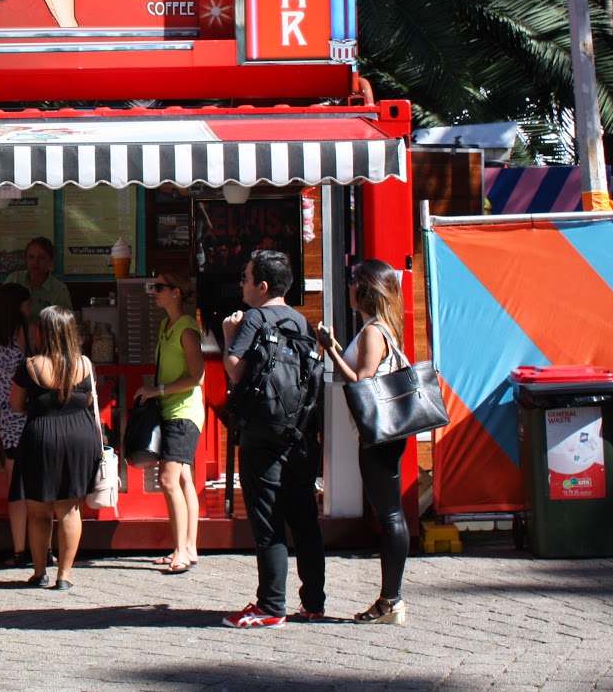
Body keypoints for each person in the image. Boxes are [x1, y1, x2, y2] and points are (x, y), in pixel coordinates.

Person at [221, 249, 326, 629]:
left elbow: (236, 371)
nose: (242, 284)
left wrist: (229, 335)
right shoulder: (301, 322)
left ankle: (270, 606)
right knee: (305, 520)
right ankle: (313, 602)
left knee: (268, 521)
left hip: (262, 435)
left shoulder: (254, 319)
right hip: (299, 434)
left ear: (262, 286)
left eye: (246, 278)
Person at [317, 259, 411, 625]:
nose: (350, 287)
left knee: (390, 516)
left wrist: (329, 349)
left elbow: (361, 382)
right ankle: (391, 598)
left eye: (355, 282)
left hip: (380, 436)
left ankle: (392, 600)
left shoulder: (374, 332)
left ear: (367, 290)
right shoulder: (383, 327)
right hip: (386, 435)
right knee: (390, 515)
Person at [10, 305, 101, 590]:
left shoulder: (30, 366)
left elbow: (15, 404)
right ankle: (65, 575)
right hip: (79, 438)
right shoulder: (85, 364)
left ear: (43, 332)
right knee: (70, 510)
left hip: (42, 438)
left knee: (38, 511)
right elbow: (88, 401)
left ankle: (40, 572)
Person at [134, 272, 206, 574]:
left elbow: (196, 376)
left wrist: (157, 390)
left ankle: (180, 550)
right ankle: (188, 548)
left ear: (176, 292)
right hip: (171, 410)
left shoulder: (187, 330)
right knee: (184, 479)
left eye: (159, 287)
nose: (154, 292)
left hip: (183, 412)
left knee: (167, 479)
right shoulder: (167, 325)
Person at [0, 282, 35, 569]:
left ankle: (19, 549)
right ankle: (39, 547)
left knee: (16, 487)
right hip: (23, 411)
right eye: (26, 303)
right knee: (33, 484)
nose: (30, 309)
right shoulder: (22, 333)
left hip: (0, 415)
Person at [3, 237, 73, 316]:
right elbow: (0, 310)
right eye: (31, 257)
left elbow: (66, 323)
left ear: (50, 261)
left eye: (42, 258)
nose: (35, 262)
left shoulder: (59, 290)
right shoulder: (14, 279)